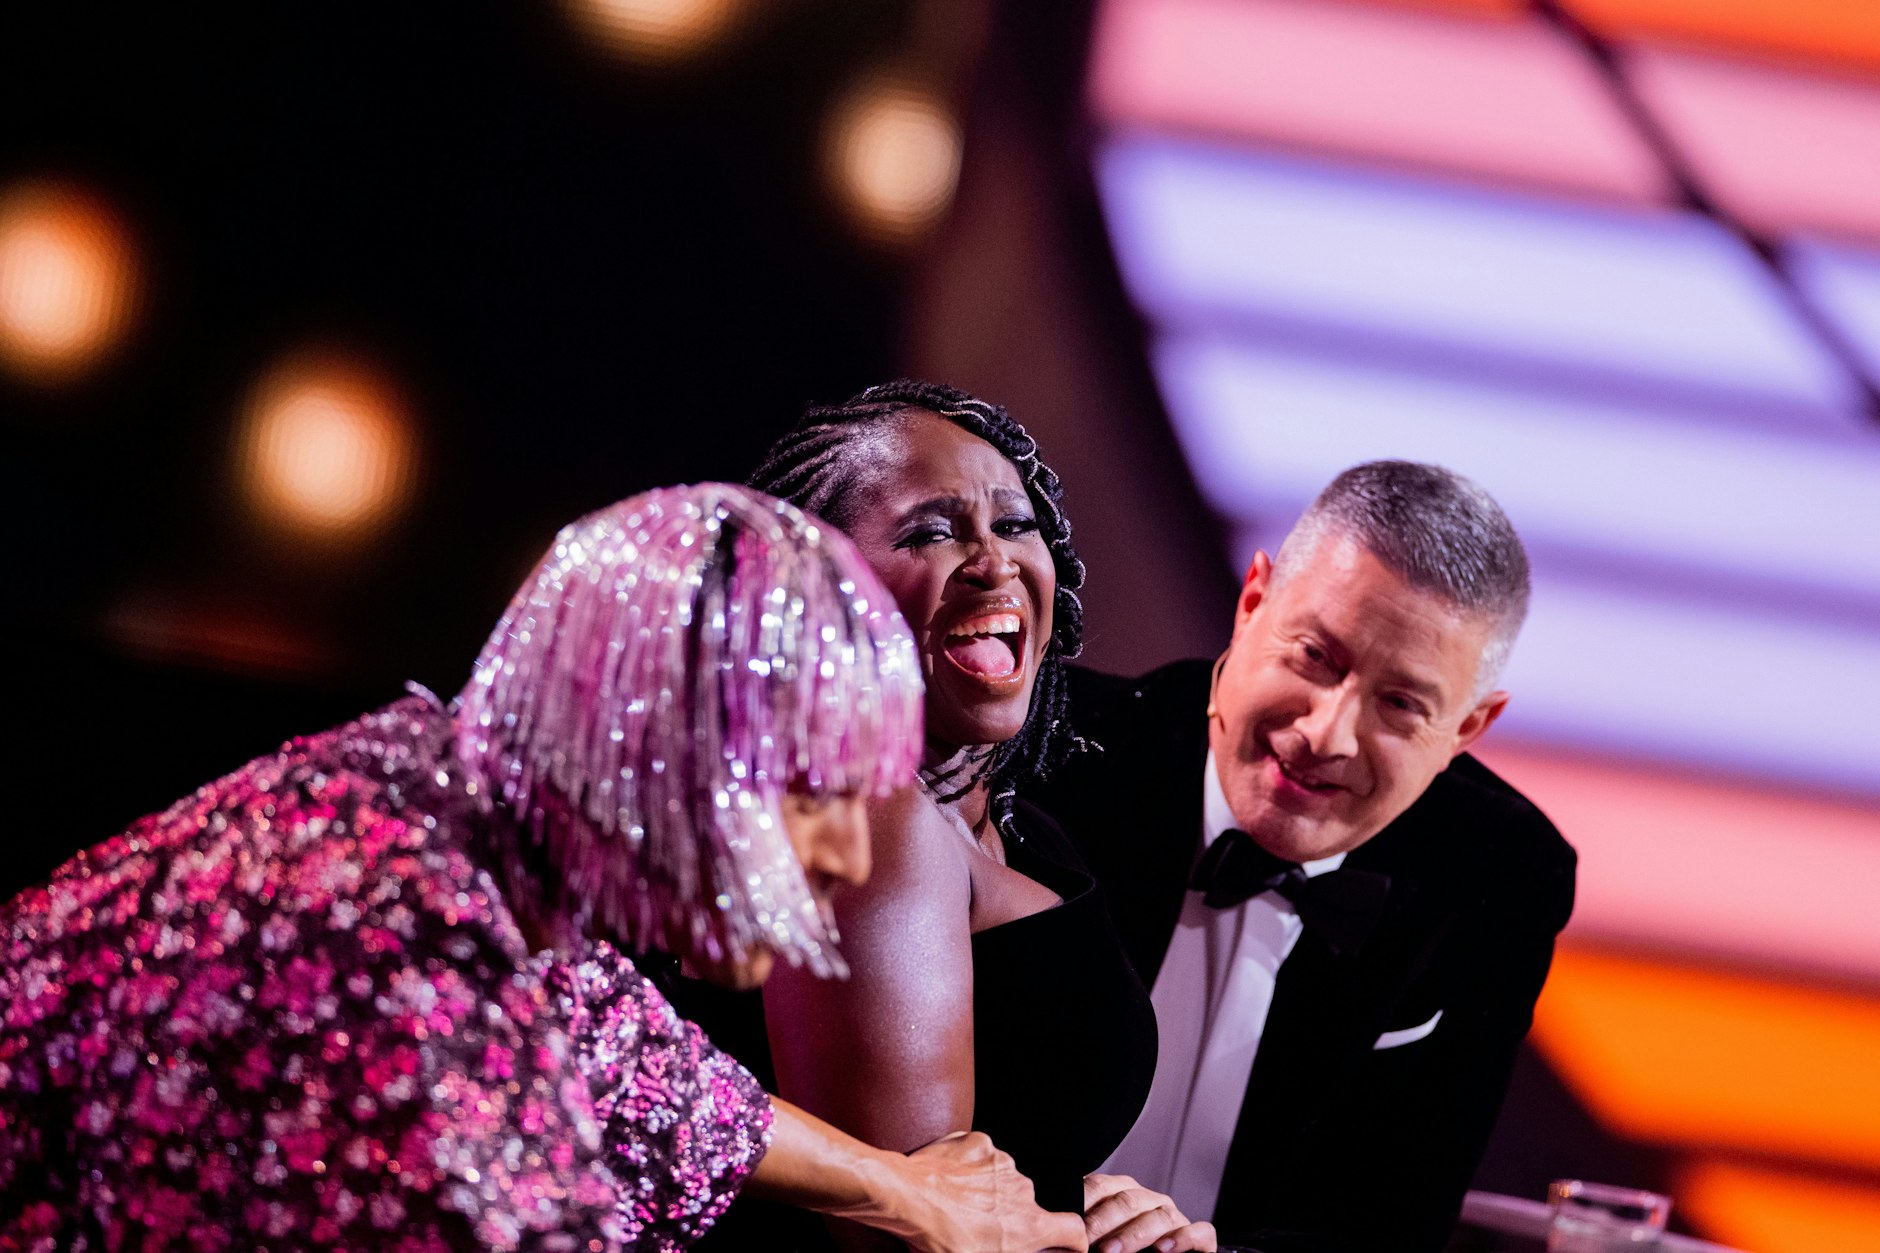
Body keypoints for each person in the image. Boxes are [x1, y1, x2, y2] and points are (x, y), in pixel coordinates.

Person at [0, 483, 1088, 1253]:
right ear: (654, 745)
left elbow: (616, 1042)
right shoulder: (407, 979)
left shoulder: (430, 777)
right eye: (812, 795)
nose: (850, 859)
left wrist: (902, 1188)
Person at [682, 381, 1209, 1253]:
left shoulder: (1026, 828)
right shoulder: (861, 809)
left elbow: (1001, 1180)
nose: (994, 562)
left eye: (1015, 524)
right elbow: (908, 1239)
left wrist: (1095, 1223)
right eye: (930, 531)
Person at [1031, 461, 1578, 1253]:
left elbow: (1388, 1228)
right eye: (1318, 656)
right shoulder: (1048, 754)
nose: (1328, 733)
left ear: (1466, 729)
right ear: (1252, 603)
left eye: (1400, 704)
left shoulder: (1499, 872)